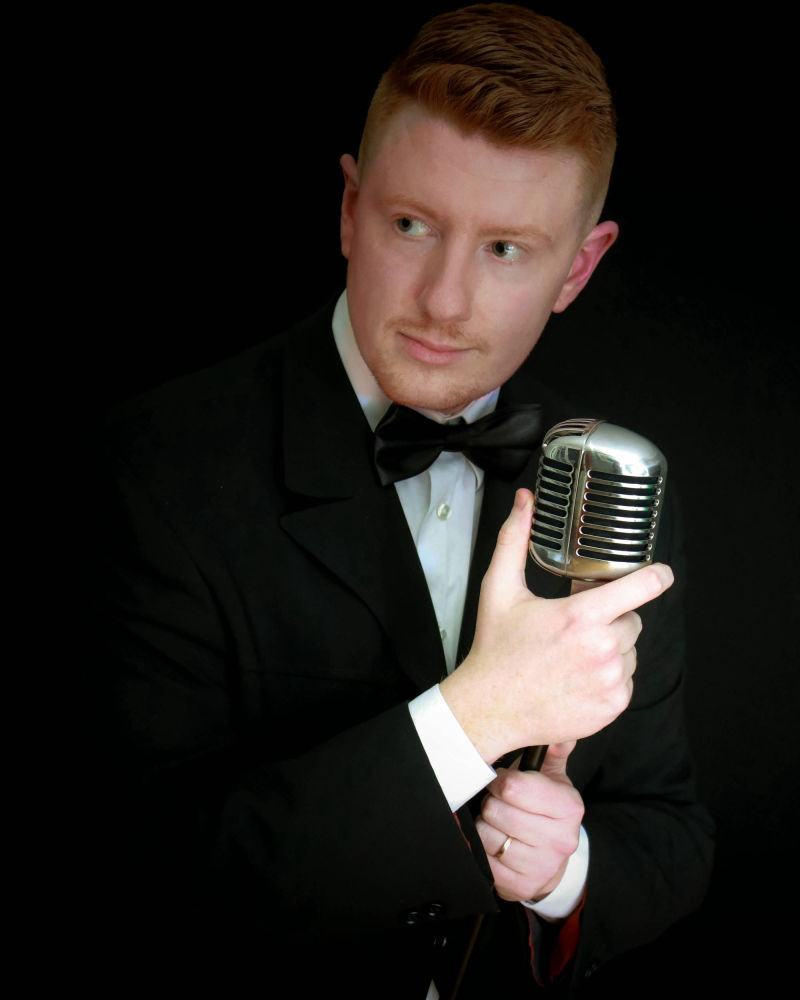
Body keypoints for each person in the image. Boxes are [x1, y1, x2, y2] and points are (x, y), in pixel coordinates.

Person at [89, 5, 714, 997]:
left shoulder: (614, 486)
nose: (443, 302)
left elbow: (669, 830)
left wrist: (562, 873)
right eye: (411, 225)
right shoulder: (147, 472)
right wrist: (476, 716)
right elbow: (142, 879)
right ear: (350, 209)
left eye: (505, 249)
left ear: (579, 267)